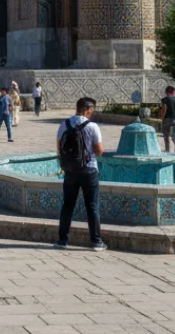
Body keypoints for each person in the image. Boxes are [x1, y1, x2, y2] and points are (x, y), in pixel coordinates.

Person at [56, 96, 106, 250]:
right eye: (92, 110)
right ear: (87, 109)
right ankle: (96, 241)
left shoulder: (64, 124)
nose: (92, 113)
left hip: (70, 170)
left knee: (67, 205)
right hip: (89, 169)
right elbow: (99, 151)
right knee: (92, 205)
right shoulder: (93, 126)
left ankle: (62, 240)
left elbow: (59, 148)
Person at [160, 85, 175, 153]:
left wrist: (161, 118)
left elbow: (164, 108)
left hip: (167, 119)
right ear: (173, 91)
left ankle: (167, 150)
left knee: (166, 135)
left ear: (167, 92)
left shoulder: (165, 99)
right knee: (174, 134)